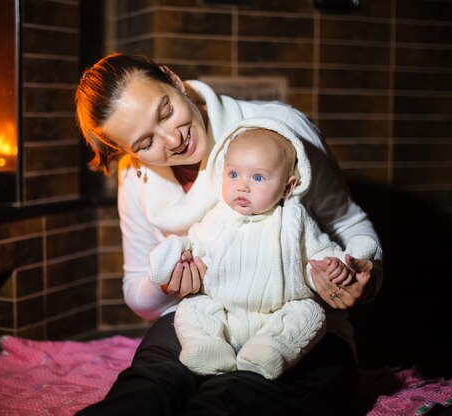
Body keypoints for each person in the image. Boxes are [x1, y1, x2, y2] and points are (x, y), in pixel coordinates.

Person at [75, 52, 383, 415]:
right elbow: (137, 290)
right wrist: (166, 286)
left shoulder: (277, 130)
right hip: (201, 319)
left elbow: (349, 226)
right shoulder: (135, 178)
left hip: (292, 324)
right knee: (147, 386)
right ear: (128, 152)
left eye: (166, 112)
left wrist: (363, 271)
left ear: (174, 80)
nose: (172, 139)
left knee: (229, 399)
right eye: (145, 143)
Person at [147, 118, 379, 381]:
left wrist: (338, 265)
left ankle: (270, 352)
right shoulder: (220, 216)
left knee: (309, 313)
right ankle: (206, 347)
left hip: (277, 315)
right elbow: (193, 244)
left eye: (258, 177)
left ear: (288, 187)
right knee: (192, 307)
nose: (242, 186)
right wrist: (172, 255)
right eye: (233, 174)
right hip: (223, 311)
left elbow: (319, 253)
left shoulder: (295, 219)